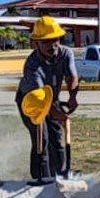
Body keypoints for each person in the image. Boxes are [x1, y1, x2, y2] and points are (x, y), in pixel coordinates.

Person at [17, 16, 79, 184]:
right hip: (32, 100)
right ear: (36, 42)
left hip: (53, 98)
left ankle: (58, 176)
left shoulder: (66, 53)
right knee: (41, 137)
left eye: (55, 40)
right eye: (46, 42)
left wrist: (73, 96)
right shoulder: (31, 64)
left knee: (57, 138)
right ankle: (40, 178)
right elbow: (40, 100)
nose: (52, 46)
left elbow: (72, 76)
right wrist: (57, 114)